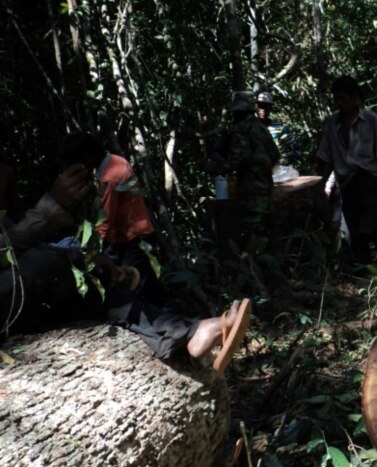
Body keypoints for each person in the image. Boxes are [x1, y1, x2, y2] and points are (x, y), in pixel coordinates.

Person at [0, 163, 250, 373]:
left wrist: (88, 258)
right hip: (13, 305)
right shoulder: (112, 172)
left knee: (96, 280)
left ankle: (190, 333)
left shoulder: (114, 169)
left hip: (131, 238)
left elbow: (20, 243)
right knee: (43, 266)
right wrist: (50, 208)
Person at [59, 133, 163, 302]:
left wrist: (90, 250)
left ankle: (168, 322)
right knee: (147, 287)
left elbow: (105, 221)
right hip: (135, 236)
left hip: (132, 240)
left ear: (89, 158)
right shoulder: (117, 161)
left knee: (140, 289)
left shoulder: (110, 178)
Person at [315, 76, 377, 265]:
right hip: (346, 182)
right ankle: (363, 268)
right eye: (336, 99)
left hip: (367, 178)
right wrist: (319, 185)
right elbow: (325, 157)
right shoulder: (332, 124)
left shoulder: (371, 120)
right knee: (352, 228)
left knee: (367, 224)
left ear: (355, 98)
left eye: (343, 98)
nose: (339, 103)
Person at [209, 91, 280, 246]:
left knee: (252, 237)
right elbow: (275, 155)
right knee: (266, 233)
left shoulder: (241, 129)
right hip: (266, 190)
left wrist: (214, 165)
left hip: (251, 194)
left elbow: (235, 162)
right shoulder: (261, 128)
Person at [256, 91, 303, 166]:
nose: (263, 109)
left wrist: (281, 162)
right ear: (256, 107)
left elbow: (297, 151)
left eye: (267, 106)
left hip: (277, 173)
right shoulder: (248, 128)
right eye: (261, 106)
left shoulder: (281, 128)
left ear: (271, 108)